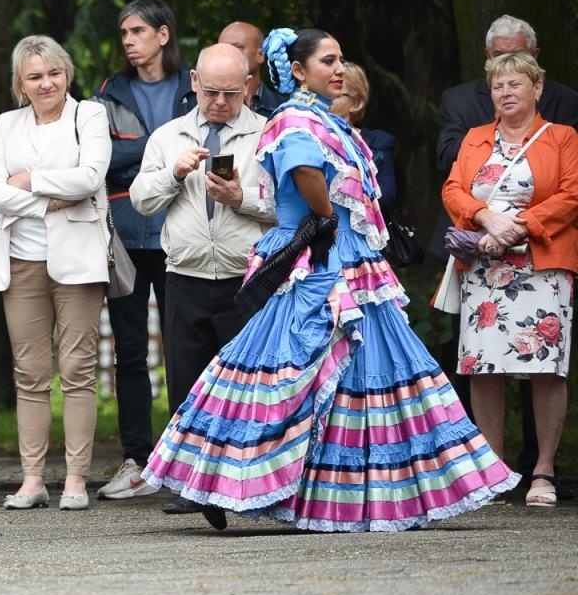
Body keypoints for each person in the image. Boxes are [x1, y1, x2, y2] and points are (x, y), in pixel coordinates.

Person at [144, 28, 517, 531]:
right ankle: (219, 476)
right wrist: (325, 218)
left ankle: (345, 495)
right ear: (298, 71)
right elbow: (304, 173)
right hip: (322, 260)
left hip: (344, 257)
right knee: (288, 373)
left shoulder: (320, 117)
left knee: (355, 377)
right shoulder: (297, 118)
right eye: (327, 60)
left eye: (342, 59)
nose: (339, 69)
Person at [129, 44, 275, 514]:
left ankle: (245, 482)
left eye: (231, 93)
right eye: (210, 91)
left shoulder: (267, 133)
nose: (219, 102)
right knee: (187, 382)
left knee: (249, 385)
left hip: (245, 276)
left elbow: (288, 206)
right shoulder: (169, 135)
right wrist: (174, 174)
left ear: (249, 86)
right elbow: (139, 200)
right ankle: (191, 486)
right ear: (193, 81)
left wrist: (241, 198)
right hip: (186, 275)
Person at [431, 14, 578, 477]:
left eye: (515, 84)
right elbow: (453, 189)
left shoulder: (563, 137)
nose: (506, 93)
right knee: (482, 364)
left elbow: (572, 193)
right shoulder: (475, 139)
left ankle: (544, 470)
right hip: (483, 266)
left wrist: (521, 225)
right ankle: (491, 471)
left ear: (537, 88)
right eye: (498, 86)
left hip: (543, 263)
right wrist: (485, 216)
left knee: (545, 366)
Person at [0, 37, 109, 511]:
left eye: (53, 73)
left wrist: (29, 182)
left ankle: (76, 479)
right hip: (20, 260)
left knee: (78, 370)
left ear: (66, 74)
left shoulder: (89, 115)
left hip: (78, 259)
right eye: (34, 76)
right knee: (30, 373)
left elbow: (90, 178)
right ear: (21, 82)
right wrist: (54, 196)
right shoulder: (5, 124)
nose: (45, 83)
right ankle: (32, 479)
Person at [94, 0, 194, 500]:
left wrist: (141, 157)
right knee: (129, 352)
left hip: (181, 234)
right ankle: (136, 460)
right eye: (124, 32)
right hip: (126, 237)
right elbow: (100, 157)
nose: (128, 40)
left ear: (162, 34)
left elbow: (207, 147)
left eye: (137, 31)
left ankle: (186, 460)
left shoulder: (192, 87)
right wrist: (160, 150)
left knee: (184, 349)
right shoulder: (110, 92)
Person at [333, 63, 399, 218]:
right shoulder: (306, 136)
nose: (325, 98)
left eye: (336, 92)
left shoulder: (378, 143)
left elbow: (385, 199)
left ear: (355, 104)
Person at [216, 21, 284, 117]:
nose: (227, 54)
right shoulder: (200, 105)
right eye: (221, 49)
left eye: (237, 48)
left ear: (260, 55)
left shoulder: (283, 109)